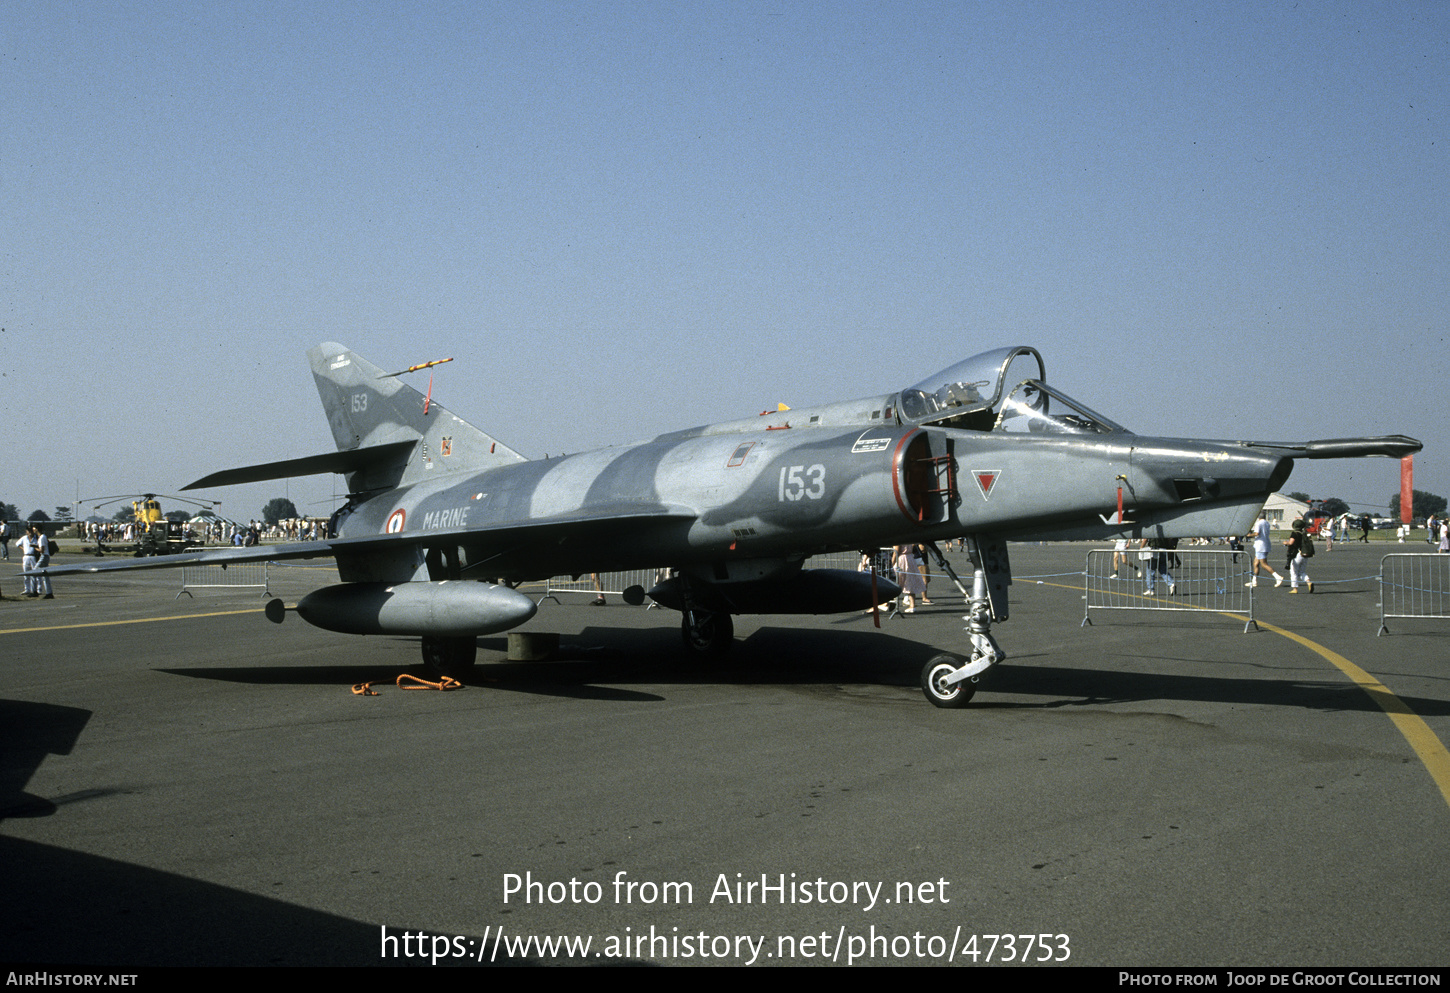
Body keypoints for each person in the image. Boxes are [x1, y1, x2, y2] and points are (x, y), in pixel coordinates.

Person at [1246, 516, 1284, 588]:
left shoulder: (1259, 523)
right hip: (1265, 544)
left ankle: (1278, 577)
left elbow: (1257, 533)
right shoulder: (1267, 523)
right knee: (1256, 563)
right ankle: (1254, 581)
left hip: (1261, 545)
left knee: (1263, 564)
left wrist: (1249, 535)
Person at [1284, 519, 1314, 593]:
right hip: (1304, 554)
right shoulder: (1304, 533)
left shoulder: (1295, 533)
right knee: (1302, 571)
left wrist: (1285, 542)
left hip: (1296, 554)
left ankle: (1295, 588)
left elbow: (1291, 542)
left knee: (1293, 571)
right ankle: (1308, 582)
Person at [894, 543, 925, 613]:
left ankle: (892, 602)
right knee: (910, 581)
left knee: (897, 580)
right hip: (910, 558)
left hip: (901, 559)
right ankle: (912, 605)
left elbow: (896, 551)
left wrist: (892, 562)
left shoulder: (898, 539)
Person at [18, 525, 40, 597]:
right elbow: (17, 544)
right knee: (26, 573)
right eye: (28, 531)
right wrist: (23, 549)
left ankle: (37, 589)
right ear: (26, 532)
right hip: (26, 556)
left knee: (35, 573)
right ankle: (27, 589)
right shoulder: (24, 538)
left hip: (33, 556)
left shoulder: (36, 538)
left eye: (31, 531)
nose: (30, 532)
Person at [34, 527, 54, 599]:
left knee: (34, 572)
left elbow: (42, 550)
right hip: (45, 556)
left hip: (44, 556)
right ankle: (49, 592)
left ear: (36, 529)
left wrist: (35, 548)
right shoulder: (43, 536)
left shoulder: (42, 537)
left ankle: (35, 591)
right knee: (45, 575)